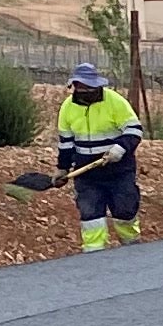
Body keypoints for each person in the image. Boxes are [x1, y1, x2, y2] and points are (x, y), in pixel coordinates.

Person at [56, 61, 145, 254]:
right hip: (87, 174)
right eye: (81, 86)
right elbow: (66, 143)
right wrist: (62, 168)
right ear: (75, 86)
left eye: (90, 86)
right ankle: (93, 255)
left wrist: (120, 148)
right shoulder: (67, 108)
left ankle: (132, 249)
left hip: (118, 171)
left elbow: (134, 130)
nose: (86, 90)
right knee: (90, 216)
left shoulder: (115, 101)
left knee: (125, 211)